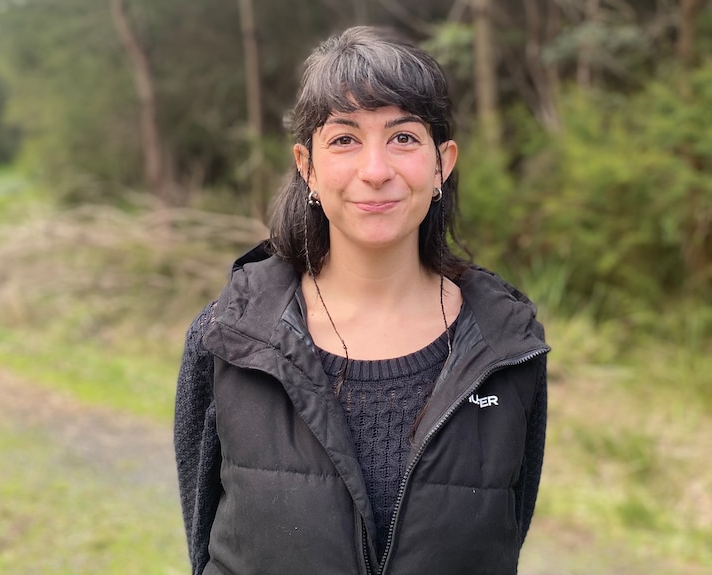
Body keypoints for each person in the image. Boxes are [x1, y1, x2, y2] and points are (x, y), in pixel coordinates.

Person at [175, 26, 549, 575]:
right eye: (345, 139)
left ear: (443, 163)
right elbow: (204, 539)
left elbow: (503, 546)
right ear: (307, 167)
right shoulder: (230, 336)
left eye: (403, 138)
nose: (376, 171)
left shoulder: (506, 348)